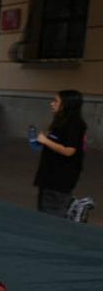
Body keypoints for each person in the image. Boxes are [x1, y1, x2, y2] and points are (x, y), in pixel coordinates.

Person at [33, 89, 87, 218]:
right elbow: (59, 142)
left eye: (56, 101)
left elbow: (69, 150)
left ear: (67, 104)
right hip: (50, 176)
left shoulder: (74, 124)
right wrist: (46, 140)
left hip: (59, 179)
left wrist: (46, 141)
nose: (52, 104)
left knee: (53, 214)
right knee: (45, 210)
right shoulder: (61, 121)